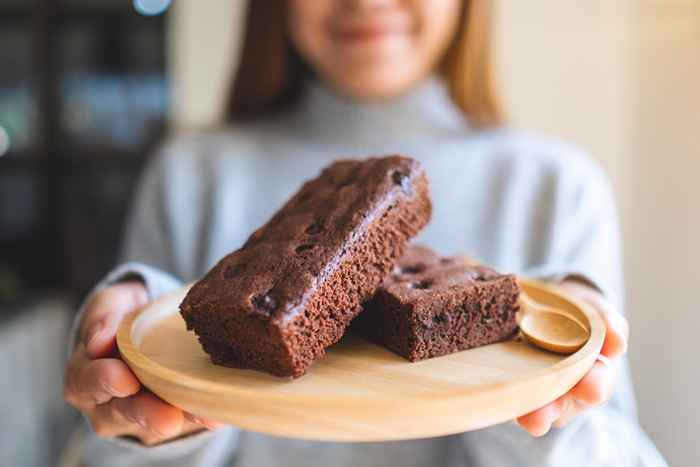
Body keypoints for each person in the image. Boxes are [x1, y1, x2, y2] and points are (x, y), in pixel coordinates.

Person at [62, 1, 668, 466]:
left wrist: (544, 399)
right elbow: (98, 450)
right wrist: (147, 409)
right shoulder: (189, 174)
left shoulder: (556, 187)